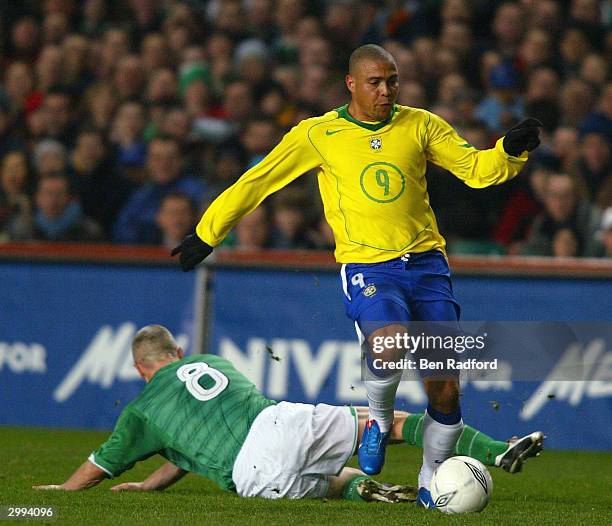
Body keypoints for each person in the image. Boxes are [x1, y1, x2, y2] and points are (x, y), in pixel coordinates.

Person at [171, 44, 542, 507]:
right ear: (351, 84)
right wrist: (208, 234)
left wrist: (508, 151)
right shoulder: (318, 134)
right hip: (369, 266)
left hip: (427, 265)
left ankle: (430, 479)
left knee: (445, 386)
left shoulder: (421, 124)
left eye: (392, 82)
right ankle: (380, 421)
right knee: (387, 342)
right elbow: (258, 180)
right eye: (375, 82)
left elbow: (476, 170)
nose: (386, 91)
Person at [33, 325, 544, 502]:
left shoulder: (144, 409)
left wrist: (63, 493)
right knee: (397, 423)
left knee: (333, 484)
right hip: (279, 424)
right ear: (178, 352)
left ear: (141, 369)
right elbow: (190, 444)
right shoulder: (211, 362)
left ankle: (371, 492)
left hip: (251, 475)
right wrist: (152, 485)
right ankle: (498, 451)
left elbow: (98, 467)